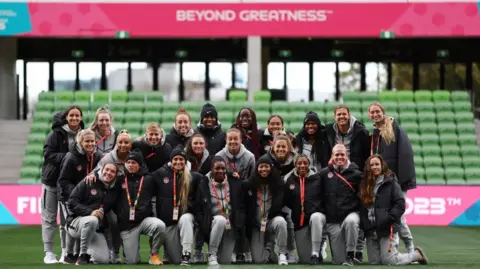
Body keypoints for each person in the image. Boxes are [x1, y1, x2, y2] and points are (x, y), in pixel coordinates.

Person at [359, 155, 428, 265]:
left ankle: (416, 255)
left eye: (377, 164)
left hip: (387, 229)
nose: (374, 167)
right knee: (374, 263)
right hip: (371, 230)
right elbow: (362, 207)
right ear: (368, 167)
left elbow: (400, 203)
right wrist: (366, 226)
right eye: (371, 165)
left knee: (389, 260)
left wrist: (389, 219)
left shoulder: (391, 182)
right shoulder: (364, 184)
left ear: (382, 166)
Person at [368, 102, 416, 255]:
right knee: (389, 216)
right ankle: (400, 249)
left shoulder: (395, 129)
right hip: (381, 182)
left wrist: (402, 182)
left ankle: (410, 249)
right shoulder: (375, 133)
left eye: (377, 111)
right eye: (372, 112)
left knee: (398, 217)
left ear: (383, 112)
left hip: (396, 183)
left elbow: (406, 155)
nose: (375, 114)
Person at [41, 105, 84, 264]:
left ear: (81, 118)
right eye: (71, 116)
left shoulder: (82, 134)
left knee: (67, 220)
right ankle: (49, 253)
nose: (74, 118)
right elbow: (48, 155)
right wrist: (68, 157)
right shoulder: (55, 135)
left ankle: (66, 251)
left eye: (77, 116)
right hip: (51, 182)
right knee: (49, 218)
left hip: (69, 184)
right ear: (66, 117)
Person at [150, 148, 203, 265]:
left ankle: (187, 255)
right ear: (171, 161)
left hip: (186, 220)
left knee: (186, 218)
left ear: (185, 161)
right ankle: (169, 252)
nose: (178, 162)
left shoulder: (194, 177)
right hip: (169, 222)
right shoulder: (160, 174)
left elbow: (201, 197)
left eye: (181, 159)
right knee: (175, 260)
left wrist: (189, 206)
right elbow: (145, 179)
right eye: (175, 159)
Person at [58, 129, 102, 264]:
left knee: (84, 221)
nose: (90, 144)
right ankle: (68, 253)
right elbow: (63, 181)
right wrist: (77, 192)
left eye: (92, 141)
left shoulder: (98, 156)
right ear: (80, 142)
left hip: (88, 198)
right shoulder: (71, 157)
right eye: (87, 141)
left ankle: (77, 254)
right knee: (70, 222)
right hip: (68, 197)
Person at [115, 149, 166, 265]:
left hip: (143, 221)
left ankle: (154, 255)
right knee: (132, 261)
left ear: (140, 164)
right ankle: (127, 252)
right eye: (128, 162)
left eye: (134, 163)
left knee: (159, 225)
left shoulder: (148, 179)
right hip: (127, 226)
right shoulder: (120, 180)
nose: (131, 165)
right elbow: (112, 199)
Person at [195, 156, 246, 265]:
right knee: (220, 219)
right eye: (217, 168)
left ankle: (222, 251)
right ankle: (211, 254)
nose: (221, 171)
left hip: (230, 226)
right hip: (212, 224)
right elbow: (198, 209)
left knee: (225, 261)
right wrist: (204, 225)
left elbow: (241, 206)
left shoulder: (234, 183)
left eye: (223, 168)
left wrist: (238, 223)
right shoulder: (203, 184)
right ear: (211, 169)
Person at [66, 163, 121, 265]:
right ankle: (82, 256)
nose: (108, 173)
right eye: (107, 169)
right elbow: (71, 202)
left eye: (113, 172)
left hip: (96, 229)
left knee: (102, 260)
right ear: (101, 170)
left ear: (116, 175)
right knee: (92, 219)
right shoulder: (88, 181)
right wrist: (90, 212)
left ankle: (88, 253)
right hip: (77, 223)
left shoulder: (114, 190)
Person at [319, 144, 362, 266]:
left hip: (351, 214)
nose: (339, 157)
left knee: (351, 222)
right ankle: (321, 249)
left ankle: (350, 254)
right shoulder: (324, 173)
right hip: (333, 220)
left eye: (342, 154)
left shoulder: (357, 174)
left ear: (347, 156)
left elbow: (363, 198)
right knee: (338, 261)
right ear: (332, 156)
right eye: (336, 154)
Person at [244, 155, 289, 265]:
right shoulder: (249, 184)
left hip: (271, 221)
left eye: (266, 166)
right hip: (256, 225)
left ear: (271, 168)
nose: (264, 169)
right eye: (261, 167)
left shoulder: (278, 183)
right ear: (257, 168)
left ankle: (282, 253)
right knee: (259, 260)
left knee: (281, 221)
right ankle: (269, 248)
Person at [284, 154, 326, 265]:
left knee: (316, 217)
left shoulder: (318, 178)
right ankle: (315, 251)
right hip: (300, 222)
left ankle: (316, 251)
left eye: (305, 163)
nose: (302, 165)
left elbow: (325, 196)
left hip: (316, 218)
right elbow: (287, 201)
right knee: (304, 260)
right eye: (299, 163)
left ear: (309, 164)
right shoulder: (289, 180)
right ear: (295, 165)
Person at [323, 104, 369, 171]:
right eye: (339, 114)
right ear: (334, 117)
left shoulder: (361, 132)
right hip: (335, 171)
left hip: (354, 172)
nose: (341, 116)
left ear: (349, 115)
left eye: (344, 114)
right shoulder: (328, 130)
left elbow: (366, 155)